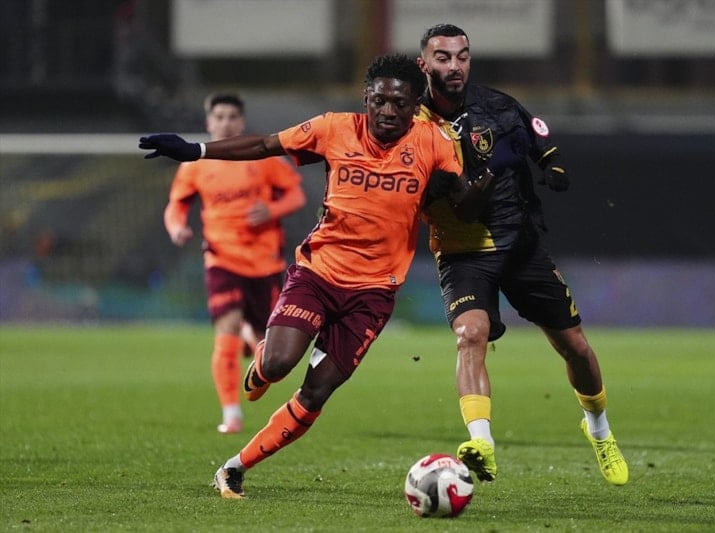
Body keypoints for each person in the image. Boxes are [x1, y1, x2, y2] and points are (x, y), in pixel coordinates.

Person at [140, 53, 526, 499]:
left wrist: (488, 179)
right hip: (318, 274)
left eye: (400, 104)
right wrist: (197, 150)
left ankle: (235, 466)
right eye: (379, 101)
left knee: (317, 392)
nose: (387, 111)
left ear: (415, 106)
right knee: (278, 364)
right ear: (366, 98)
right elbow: (265, 145)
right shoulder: (334, 128)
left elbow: (464, 208)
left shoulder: (434, 143)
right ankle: (263, 362)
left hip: (374, 294)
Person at [415, 23, 629, 486]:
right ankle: (482, 444)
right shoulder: (412, 125)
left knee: (575, 347)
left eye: (462, 56)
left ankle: (599, 430)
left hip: (521, 245)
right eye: (443, 57)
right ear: (424, 63)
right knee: (470, 334)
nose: (455, 66)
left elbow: (542, 146)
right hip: (463, 253)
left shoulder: (499, 106)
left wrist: (554, 167)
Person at [162, 93, 306, 434]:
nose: (225, 123)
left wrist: (271, 210)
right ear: (208, 122)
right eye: (219, 116)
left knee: (267, 350)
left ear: (241, 122)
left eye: (232, 117)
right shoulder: (194, 165)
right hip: (221, 257)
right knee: (225, 328)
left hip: (265, 262)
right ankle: (231, 415)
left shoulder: (262, 158)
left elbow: (296, 195)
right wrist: (176, 227)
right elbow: (176, 205)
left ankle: (247, 336)